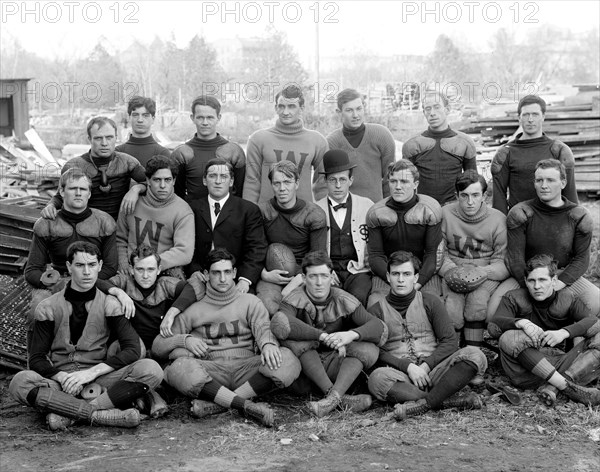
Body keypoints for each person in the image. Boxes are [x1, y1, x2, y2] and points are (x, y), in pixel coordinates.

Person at [9, 242, 164, 430]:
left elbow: (133, 349)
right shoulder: (47, 307)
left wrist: (89, 374)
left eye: (91, 265)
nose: (87, 272)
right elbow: (36, 359)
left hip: (98, 377)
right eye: (80, 265)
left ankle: (71, 414)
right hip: (60, 382)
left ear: (99, 266)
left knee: (151, 369)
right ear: (68, 267)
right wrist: (62, 377)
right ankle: (101, 416)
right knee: (20, 382)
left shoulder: (110, 304)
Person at [152, 248, 301, 427]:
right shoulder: (192, 308)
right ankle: (244, 404)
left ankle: (218, 404)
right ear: (206, 275)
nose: (222, 279)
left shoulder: (249, 301)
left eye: (227, 272)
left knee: (288, 359)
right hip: (211, 370)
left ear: (234, 273)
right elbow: (158, 346)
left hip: (247, 367)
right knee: (178, 369)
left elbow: (263, 327)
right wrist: (185, 340)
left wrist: (268, 344)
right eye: (216, 273)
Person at [367, 251, 487, 420]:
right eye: (396, 274)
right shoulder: (375, 310)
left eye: (406, 274)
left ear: (415, 278)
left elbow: (451, 341)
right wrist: (407, 367)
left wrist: (426, 366)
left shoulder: (430, 301)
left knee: (475, 354)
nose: (401, 280)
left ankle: (425, 404)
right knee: (376, 379)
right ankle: (446, 401)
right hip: (401, 377)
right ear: (388, 276)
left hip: (435, 372)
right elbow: (375, 351)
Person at [271, 251, 387, 417]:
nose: (319, 282)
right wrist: (321, 335)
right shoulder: (294, 298)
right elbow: (279, 323)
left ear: (332, 276)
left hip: (336, 365)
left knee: (369, 348)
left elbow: (378, 327)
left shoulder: (343, 298)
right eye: (313, 276)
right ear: (303, 278)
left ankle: (332, 399)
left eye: (324, 276)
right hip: (304, 370)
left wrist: (351, 335)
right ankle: (336, 396)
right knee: (295, 340)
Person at [488, 254, 600, 407]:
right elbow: (494, 324)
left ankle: (554, 386)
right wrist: (520, 322)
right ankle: (564, 386)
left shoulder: (567, 297)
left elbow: (593, 321)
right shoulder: (513, 297)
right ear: (526, 282)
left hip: (563, 363)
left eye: (542, 280)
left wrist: (564, 332)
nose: (537, 286)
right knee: (508, 337)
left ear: (554, 281)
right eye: (532, 281)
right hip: (527, 372)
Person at [24, 168, 118, 350]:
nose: (78, 193)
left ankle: (107, 360)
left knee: (116, 307)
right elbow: (32, 271)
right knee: (37, 307)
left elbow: (110, 267)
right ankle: (35, 361)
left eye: (83, 189)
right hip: (57, 281)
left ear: (89, 193)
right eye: (72, 188)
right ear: (61, 191)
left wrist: (85, 283)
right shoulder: (46, 224)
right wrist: (55, 282)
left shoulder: (104, 222)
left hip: (94, 280)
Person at [494, 159, 599, 317]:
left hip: (561, 276)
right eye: (539, 180)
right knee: (492, 313)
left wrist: (555, 286)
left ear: (563, 183)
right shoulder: (521, 212)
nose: (544, 185)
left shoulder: (579, 215)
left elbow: (582, 259)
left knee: (594, 303)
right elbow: (515, 258)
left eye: (550, 180)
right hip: (528, 276)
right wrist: (532, 286)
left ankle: (569, 336)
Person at [437, 170, 509, 348]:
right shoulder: (445, 214)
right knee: (452, 309)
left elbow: (503, 261)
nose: (470, 202)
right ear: (457, 195)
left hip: (485, 272)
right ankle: (451, 352)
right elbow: (438, 253)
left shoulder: (498, 219)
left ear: (484, 195)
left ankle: (473, 355)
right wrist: (451, 271)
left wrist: (482, 272)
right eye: (465, 196)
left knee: (477, 305)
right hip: (453, 268)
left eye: (476, 195)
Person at [96, 244, 201, 354]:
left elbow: (192, 288)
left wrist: (171, 313)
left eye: (150, 269)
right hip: (128, 346)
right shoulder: (125, 281)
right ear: (131, 269)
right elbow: (98, 282)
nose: (145, 276)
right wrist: (120, 293)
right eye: (140, 269)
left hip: (159, 346)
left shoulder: (165, 284)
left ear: (158, 270)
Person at [366, 160, 442, 306]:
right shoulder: (376, 212)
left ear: (416, 184)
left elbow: (432, 254)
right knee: (375, 305)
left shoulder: (430, 209)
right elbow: (375, 256)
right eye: (393, 181)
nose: (398, 187)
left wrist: (417, 283)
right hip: (389, 273)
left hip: (422, 272)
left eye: (404, 181)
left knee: (433, 306)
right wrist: (394, 279)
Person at [256, 160, 328, 315]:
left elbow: (318, 257)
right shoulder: (262, 212)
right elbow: (254, 250)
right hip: (271, 274)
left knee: (305, 309)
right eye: (277, 183)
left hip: (304, 274)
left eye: (287, 182)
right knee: (268, 306)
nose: (282, 188)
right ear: (271, 185)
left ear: (297, 183)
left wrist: (296, 281)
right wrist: (264, 274)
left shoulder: (314, 214)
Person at [42, 116, 147, 221]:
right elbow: (61, 196)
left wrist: (136, 189)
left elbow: (152, 183)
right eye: (98, 138)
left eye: (109, 137)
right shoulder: (74, 166)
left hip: (120, 226)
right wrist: (50, 206)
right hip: (85, 226)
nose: (104, 143)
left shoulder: (128, 162)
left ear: (116, 137)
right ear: (89, 139)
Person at [187, 158, 267, 293]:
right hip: (201, 277)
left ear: (231, 181)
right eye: (213, 176)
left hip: (236, 280)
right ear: (204, 180)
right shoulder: (191, 209)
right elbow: (186, 244)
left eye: (223, 177)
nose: (218, 181)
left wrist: (245, 279)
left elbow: (256, 248)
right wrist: (193, 270)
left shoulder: (248, 210)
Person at [492, 94, 578, 215]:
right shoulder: (505, 153)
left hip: (553, 222)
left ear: (543, 117)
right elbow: (499, 198)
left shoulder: (559, 150)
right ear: (519, 118)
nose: (530, 119)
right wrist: (500, 228)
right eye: (526, 115)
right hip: (519, 224)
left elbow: (570, 197)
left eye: (535, 114)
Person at [243, 84, 328, 204]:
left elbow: (322, 185)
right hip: (266, 216)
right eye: (281, 106)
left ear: (302, 108)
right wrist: (249, 215)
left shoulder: (317, 141)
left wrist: (320, 216)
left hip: (303, 216)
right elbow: (252, 182)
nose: (285, 112)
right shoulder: (258, 139)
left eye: (291, 106)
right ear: (276, 108)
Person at [116, 155, 194, 279]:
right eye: (157, 180)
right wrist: (123, 262)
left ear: (174, 181)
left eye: (167, 180)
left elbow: (184, 252)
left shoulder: (183, 210)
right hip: (132, 268)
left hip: (163, 269)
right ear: (148, 180)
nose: (162, 185)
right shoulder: (131, 202)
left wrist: (150, 264)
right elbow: (120, 239)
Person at [315, 149, 374, 306]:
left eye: (342, 179)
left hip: (358, 270)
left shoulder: (367, 206)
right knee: (328, 302)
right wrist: (325, 270)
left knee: (358, 298)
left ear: (351, 180)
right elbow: (313, 249)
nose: (338, 185)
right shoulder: (315, 209)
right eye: (333, 180)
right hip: (329, 270)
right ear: (325, 181)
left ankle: (358, 329)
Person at [403, 91, 477, 206]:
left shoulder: (465, 143)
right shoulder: (412, 144)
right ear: (424, 113)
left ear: (447, 109)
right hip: (422, 208)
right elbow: (405, 183)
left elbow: (472, 183)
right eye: (428, 109)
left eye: (437, 107)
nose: (432, 113)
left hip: (454, 209)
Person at [326, 88, 396, 203]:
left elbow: (391, 178)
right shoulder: (331, 143)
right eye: (349, 110)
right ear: (339, 112)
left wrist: (388, 208)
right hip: (345, 212)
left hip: (377, 210)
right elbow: (324, 185)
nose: (355, 115)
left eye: (359, 109)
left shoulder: (381, 135)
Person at [172, 95, 246, 201]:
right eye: (200, 117)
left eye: (210, 117)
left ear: (218, 118)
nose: (205, 122)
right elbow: (177, 194)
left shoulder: (234, 152)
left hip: (228, 214)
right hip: (192, 214)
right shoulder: (181, 153)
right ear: (192, 118)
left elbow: (239, 191)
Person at [116, 96, 171, 167]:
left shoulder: (162, 154)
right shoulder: (118, 152)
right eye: (135, 115)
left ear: (153, 119)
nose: (140, 120)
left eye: (145, 115)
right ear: (129, 118)